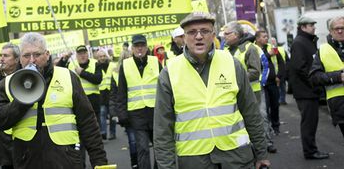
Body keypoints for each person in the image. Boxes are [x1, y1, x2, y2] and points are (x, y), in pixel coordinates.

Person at [154, 12, 270, 169]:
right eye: (192, 32)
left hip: (237, 157)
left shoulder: (231, 63)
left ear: (213, 35)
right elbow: (162, 128)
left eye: (204, 31)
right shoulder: (169, 72)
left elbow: (251, 113)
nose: (199, 36)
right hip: (194, 161)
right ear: (184, 37)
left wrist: (261, 153)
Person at [0, 32, 107, 168]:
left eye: (37, 54)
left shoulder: (68, 77)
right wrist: (23, 99)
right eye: (26, 55)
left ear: (47, 54)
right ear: (20, 58)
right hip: (27, 161)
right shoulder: (8, 83)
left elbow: (87, 122)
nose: (32, 60)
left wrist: (99, 162)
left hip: (66, 160)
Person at [117, 34, 162, 169]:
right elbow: (122, 91)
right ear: (132, 48)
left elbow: (164, 87)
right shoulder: (125, 65)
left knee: (160, 148)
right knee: (142, 148)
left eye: (142, 45)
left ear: (147, 47)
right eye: (137, 46)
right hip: (136, 113)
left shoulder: (155, 62)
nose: (140, 49)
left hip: (155, 112)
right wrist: (122, 114)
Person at [289, 16, 329, 160]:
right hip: (305, 91)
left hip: (308, 90)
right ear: (303, 27)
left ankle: (311, 149)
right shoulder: (300, 43)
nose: (314, 27)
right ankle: (310, 151)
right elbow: (301, 68)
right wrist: (314, 83)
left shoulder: (306, 41)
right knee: (309, 123)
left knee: (311, 122)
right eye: (311, 25)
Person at [310, 16, 344, 137]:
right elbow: (314, 77)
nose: (340, 31)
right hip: (340, 105)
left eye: (343, 28)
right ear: (330, 31)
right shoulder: (324, 50)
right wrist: (339, 77)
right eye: (337, 28)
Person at [57, 45, 103, 125]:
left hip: (93, 100)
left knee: (94, 126)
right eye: (80, 54)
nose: (82, 56)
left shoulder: (95, 63)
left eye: (84, 53)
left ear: (87, 54)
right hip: (77, 100)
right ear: (76, 56)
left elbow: (98, 79)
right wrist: (64, 59)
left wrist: (82, 73)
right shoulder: (70, 64)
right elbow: (57, 70)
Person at [109, 50, 138, 168]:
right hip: (127, 111)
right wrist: (114, 113)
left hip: (140, 110)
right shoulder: (116, 74)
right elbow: (113, 95)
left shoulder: (138, 70)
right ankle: (135, 163)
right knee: (133, 141)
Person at [255, 30, 284, 135]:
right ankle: (268, 128)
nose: (266, 38)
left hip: (273, 81)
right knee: (265, 108)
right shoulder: (254, 49)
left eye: (267, 36)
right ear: (257, 39)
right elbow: (257, 63)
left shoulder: (271, 48)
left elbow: (280, 62)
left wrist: (279, 76)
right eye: (263, 36)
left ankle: (276, 126)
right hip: (262, 83)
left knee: (275, 105)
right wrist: (268, 55)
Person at [96, 50, 117, 140]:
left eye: (104, 56)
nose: (102, 58)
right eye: (100, 56)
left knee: (112, 114)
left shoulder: (112, 65)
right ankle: (103, 132)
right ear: (97, 58)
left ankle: (112, 133)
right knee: (102, 113)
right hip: (101, 94)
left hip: (111, 93)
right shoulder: (95, 66)